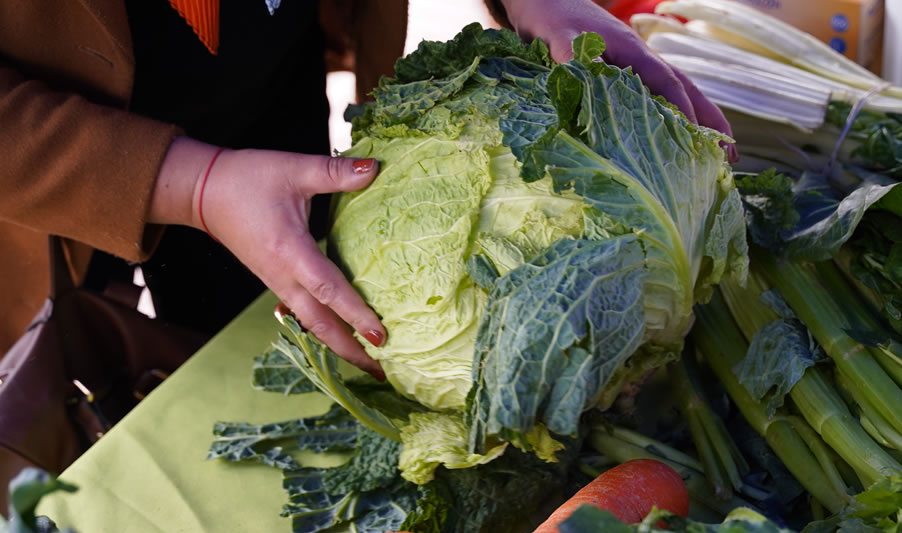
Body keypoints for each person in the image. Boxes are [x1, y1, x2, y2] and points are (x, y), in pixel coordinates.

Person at [0, 0, 731, 379]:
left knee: (261, 337)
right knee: (69, 394)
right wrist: (196, 185)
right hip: (54, 167)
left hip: (269, 97)